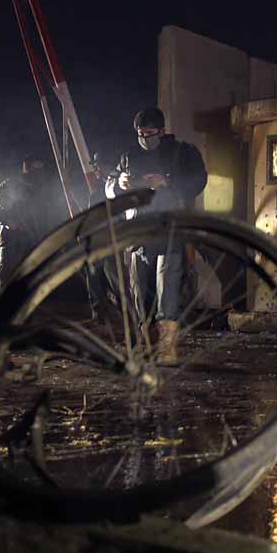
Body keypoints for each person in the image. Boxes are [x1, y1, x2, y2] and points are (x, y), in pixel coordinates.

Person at [106, 107, 207, 364]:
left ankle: (167, 349)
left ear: (162, 130)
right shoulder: (129, 156)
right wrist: (119, 184)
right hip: (139, 232)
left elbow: (199, 180)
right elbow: (107, 187)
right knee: (141, 291)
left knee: (169, 288)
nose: (144, 137)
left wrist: (167, 181)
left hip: (171, 230)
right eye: (140, 133)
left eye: (149, 132)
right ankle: (147, 345)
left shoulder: (183, 152)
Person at [0, 154, 55, 290]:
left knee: (31, 279)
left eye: (41, 168)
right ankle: (6, 309)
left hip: (32, 240)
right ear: (27, 169)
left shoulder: (41, 191)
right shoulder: (11, 185)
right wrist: (8, 221)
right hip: (12, 241)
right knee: (7, 277)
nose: (38, 173)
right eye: (35, 168)